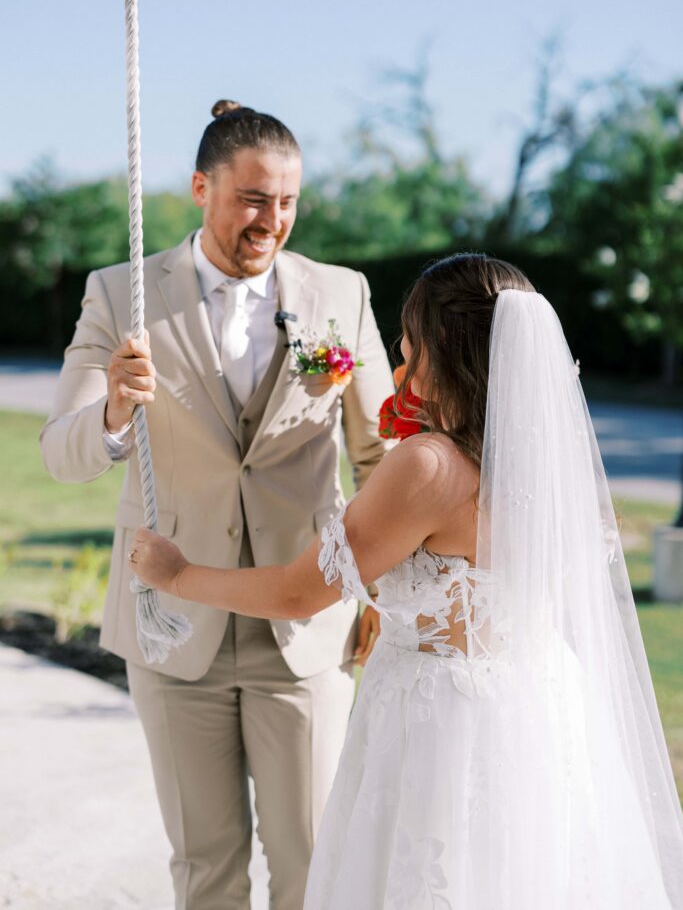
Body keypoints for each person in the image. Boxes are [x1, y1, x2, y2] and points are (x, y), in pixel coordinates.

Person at [131, 253, 683, 909]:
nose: (399, 356)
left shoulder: (427, 466)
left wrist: (179, 573)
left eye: (407, 339)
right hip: (539, 715)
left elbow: (297, 592)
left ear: (438, 348)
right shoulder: (547, 469)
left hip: (436, 728)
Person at [40, 100, 394, 910]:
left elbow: (379, 456)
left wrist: (384, 580)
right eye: (252, 199)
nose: (272, 221)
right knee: (205, 868)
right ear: (201, 188)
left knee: (311, 863)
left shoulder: (342, 293)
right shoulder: (121, 294)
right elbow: (61, 455)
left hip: (301, 628)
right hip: (169, 626)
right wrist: (113, 416)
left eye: (288, 201)